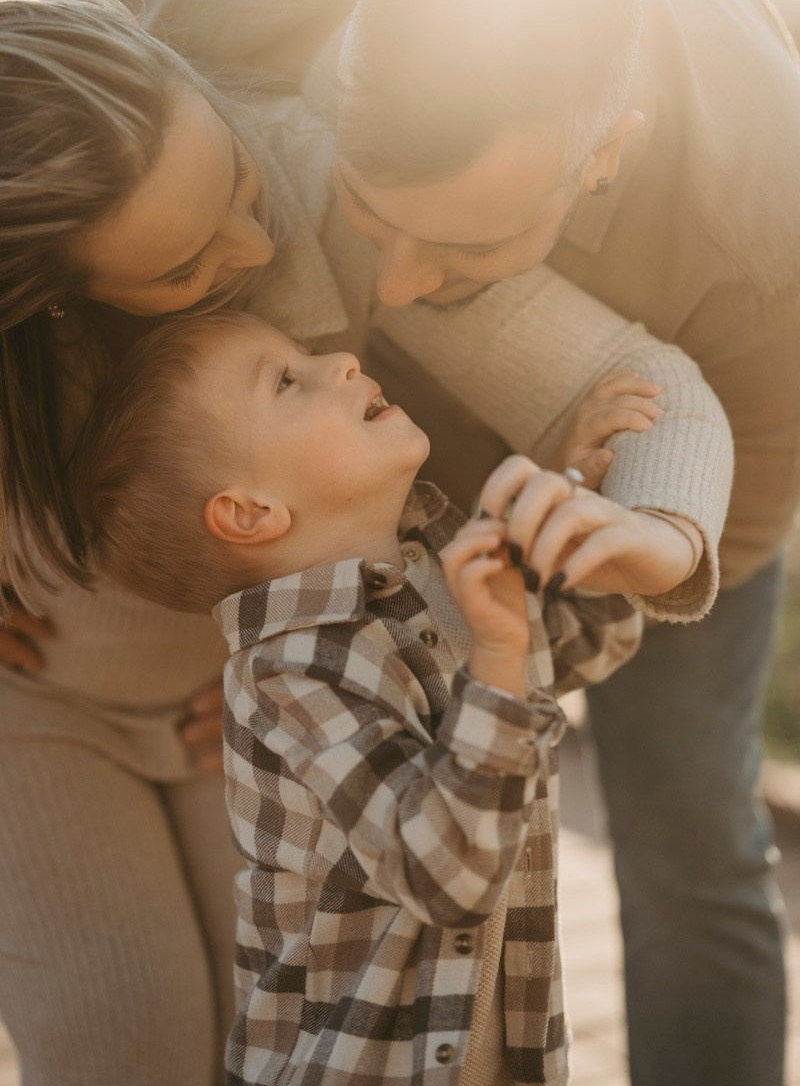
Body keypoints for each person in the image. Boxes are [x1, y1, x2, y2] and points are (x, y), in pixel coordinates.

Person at [88, 0, 800, 1082]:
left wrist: (649, 538)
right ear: (335, 68)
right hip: (389, 487)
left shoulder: (759, 207)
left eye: (465, 251)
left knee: (688, 831)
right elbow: (46, 162)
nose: (400, 290)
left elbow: (733, 471)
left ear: (602, 154)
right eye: (371, 217)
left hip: (685, 482)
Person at [70, 308, 686, 1085]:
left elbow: (583, 640)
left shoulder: (436, 564)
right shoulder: (287, 676)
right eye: (287, 380)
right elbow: (446, 875)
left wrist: (569, 508)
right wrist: (497, 650)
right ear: (251, 511)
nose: (340, 360)